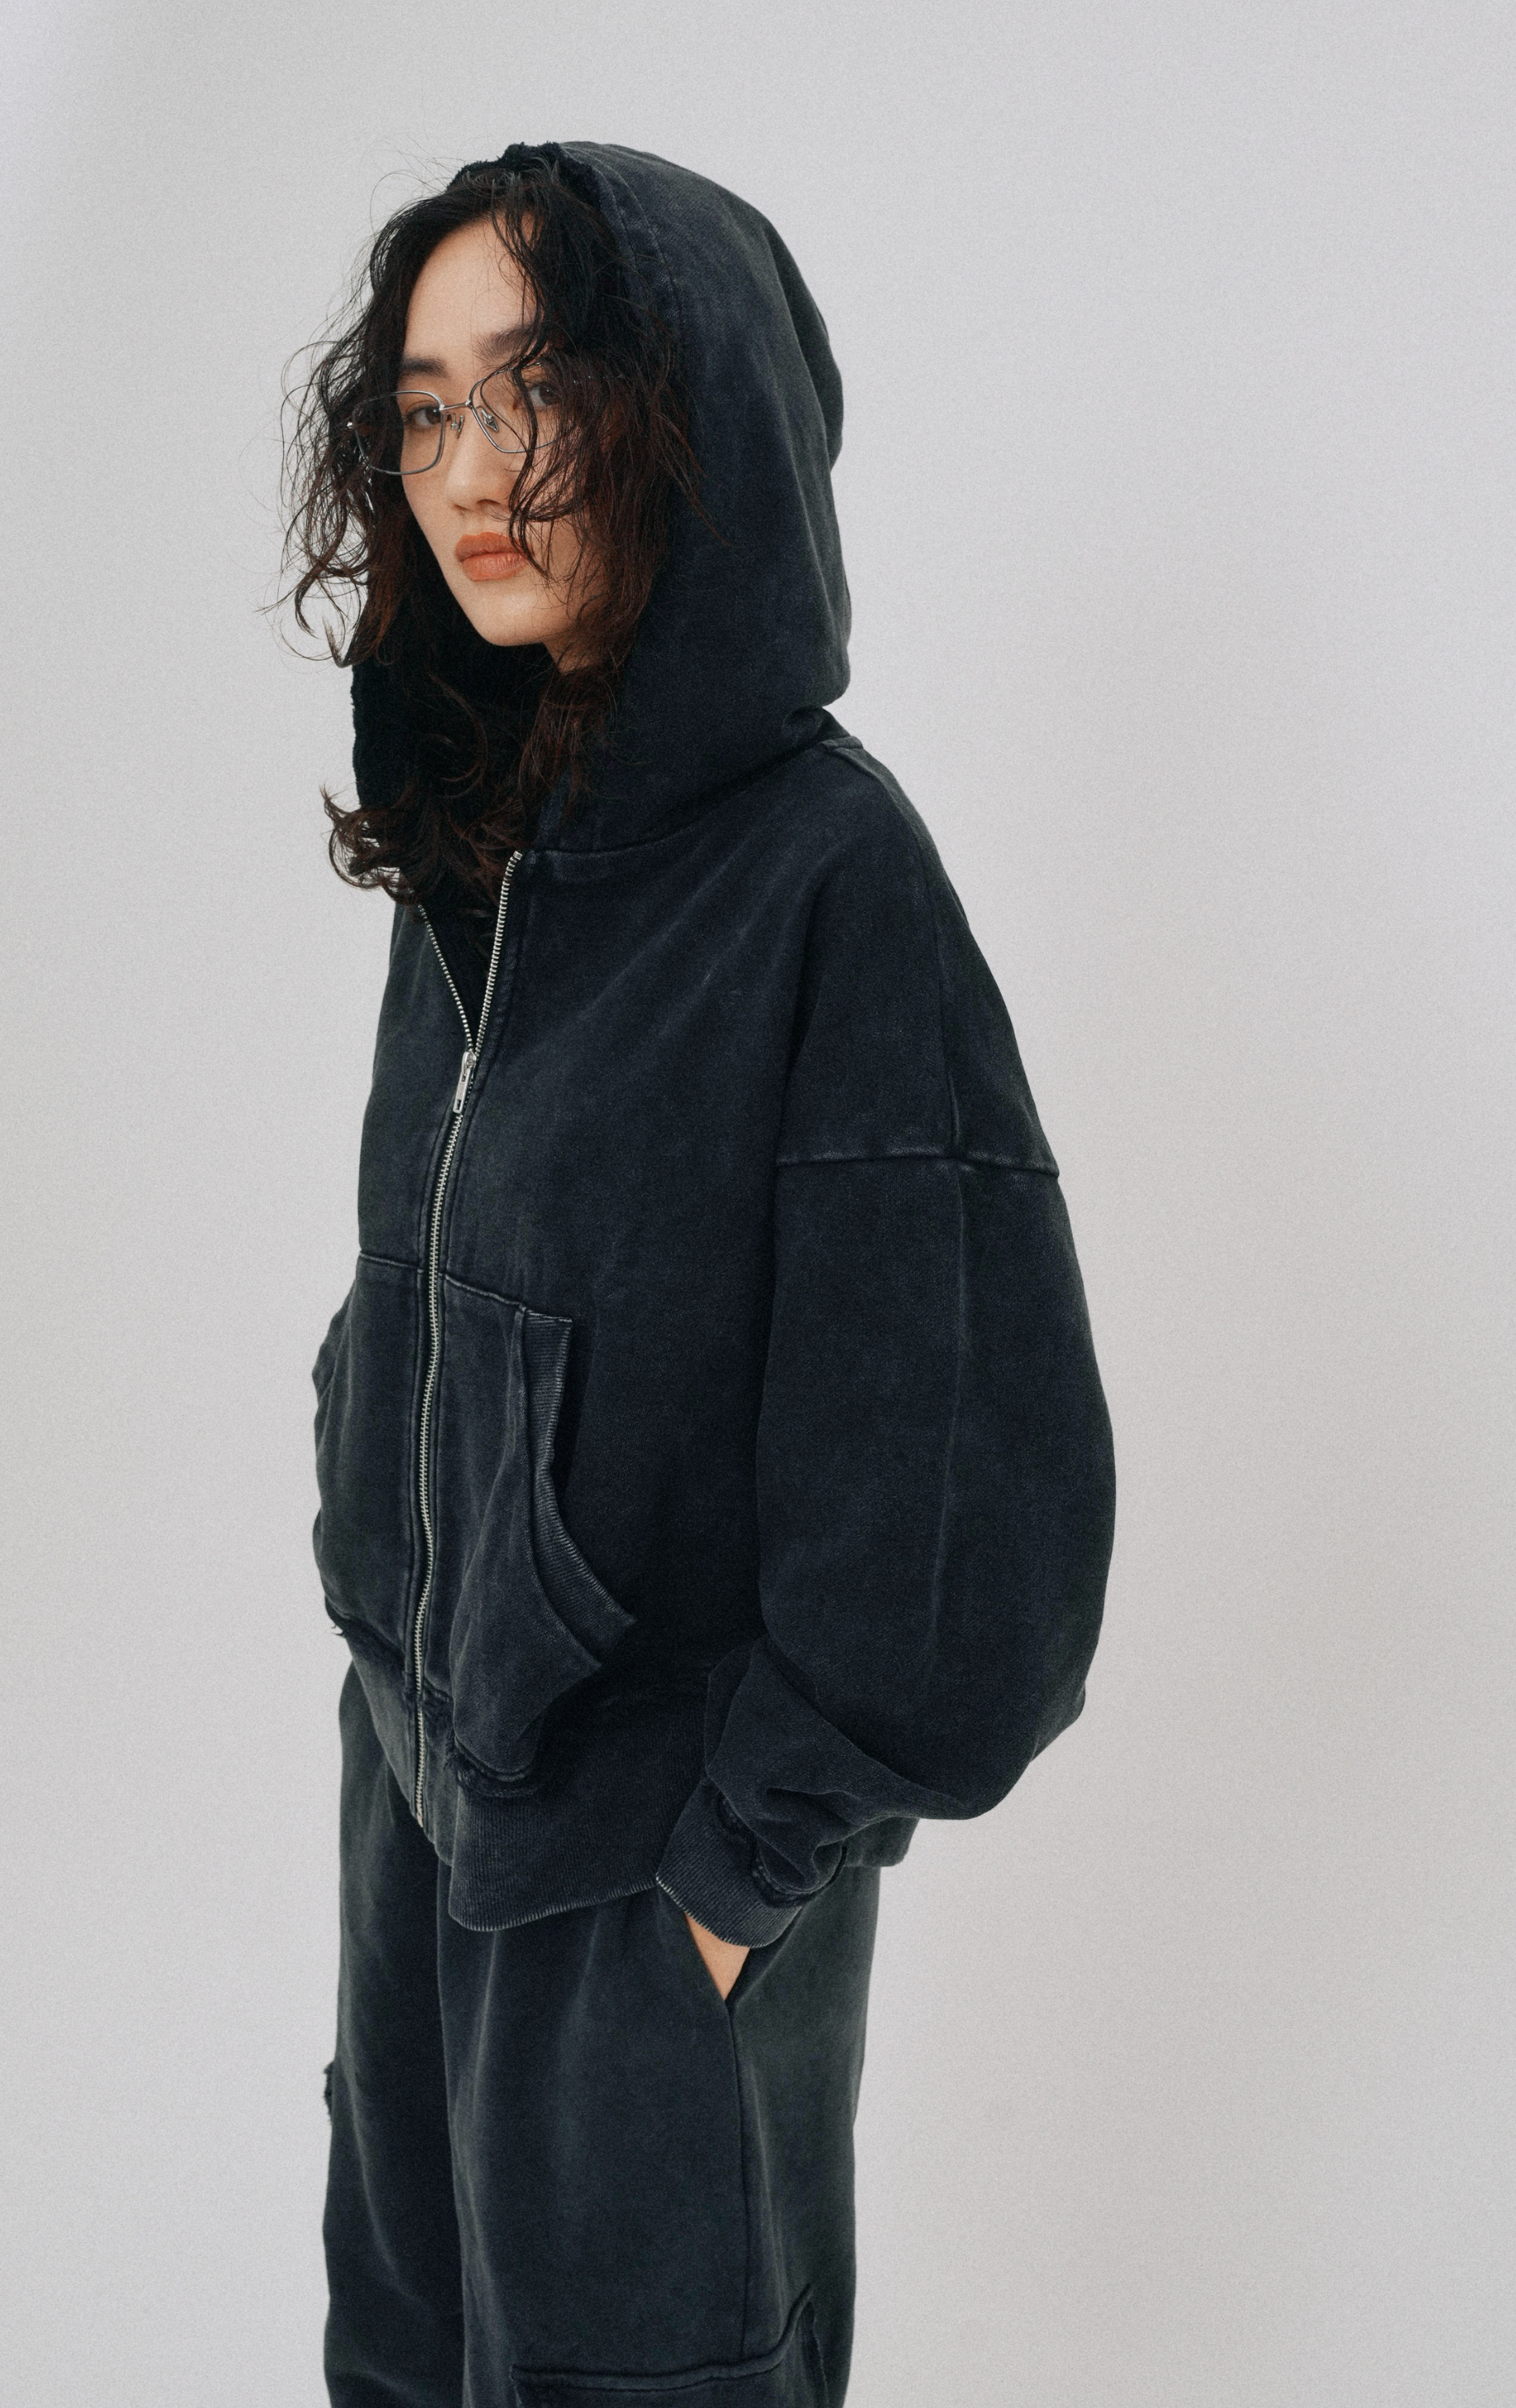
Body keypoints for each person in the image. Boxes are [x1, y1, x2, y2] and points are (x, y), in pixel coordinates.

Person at [285, 139, 1116, 2408]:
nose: (471, 469)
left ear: (688, 407)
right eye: (428, 409)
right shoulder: (483, 842)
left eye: (535, 391)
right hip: (419, 1805)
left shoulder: (831, 879)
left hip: (658, 1876)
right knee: (404, 2358)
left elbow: (968, 1488)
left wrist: (736, 1883)